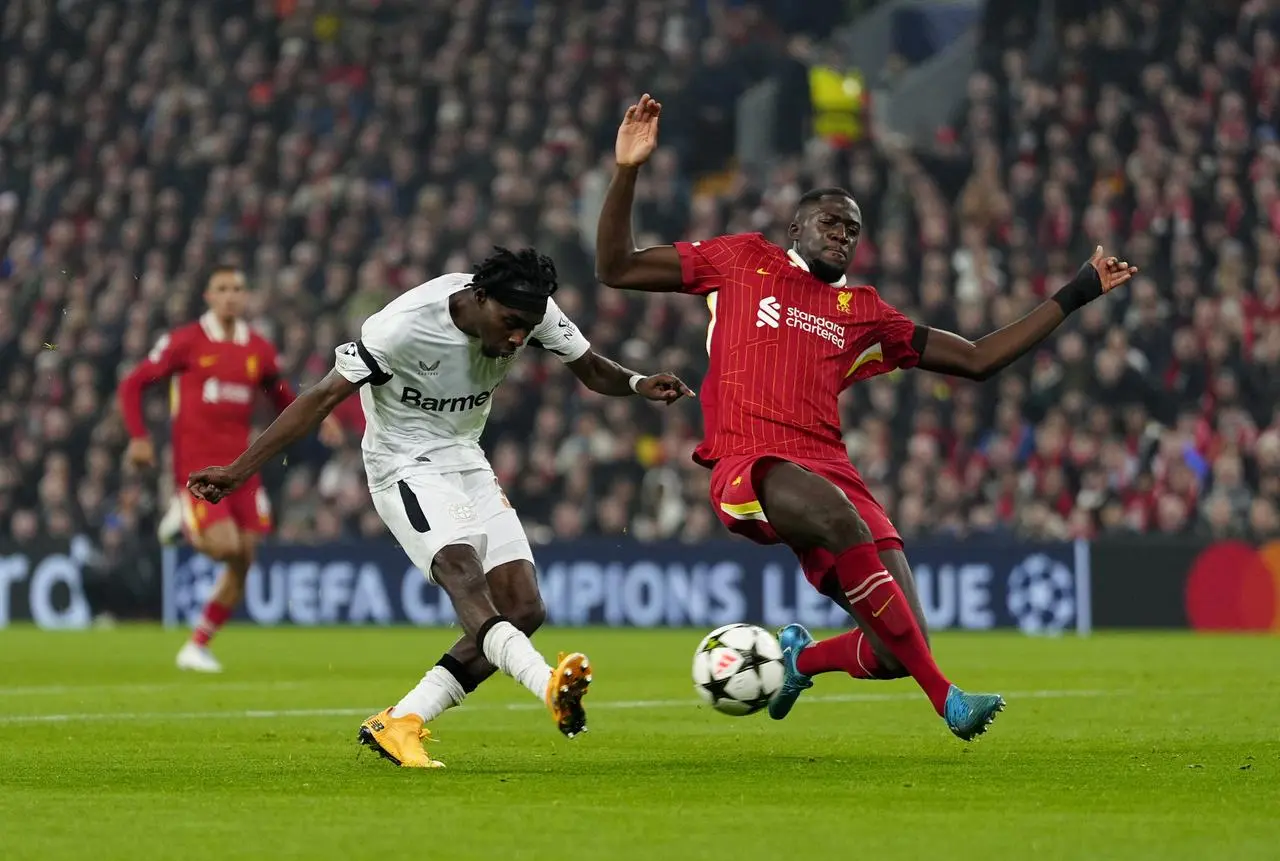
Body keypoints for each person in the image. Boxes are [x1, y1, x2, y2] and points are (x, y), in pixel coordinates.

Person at [595, 95, 1138, 740]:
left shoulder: (865, 312)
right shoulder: (741, 259)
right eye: (830, 221)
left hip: (832, 469)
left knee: (896, 647)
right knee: (842, 525)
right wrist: (627, 169)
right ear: (795, 228)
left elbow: (978, 359)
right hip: (749, 459)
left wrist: (1076, 292)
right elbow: (616, 267)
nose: (843, 233)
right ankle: (947, 699)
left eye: (853, 229)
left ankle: (798, 661)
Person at [188, 247, 695, 767]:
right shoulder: (402, 327)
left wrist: (636, 382)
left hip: (466, 456)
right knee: (461, 570)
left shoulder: (532, 310)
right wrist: (238, 471)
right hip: (403, 463)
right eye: (510, 324)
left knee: (524, 608)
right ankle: (547, 684)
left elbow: (589, 369)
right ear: (480, 298)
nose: (518, 339)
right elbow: (320, 398)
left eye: (527, 329)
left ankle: (402, 721)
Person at [118, 266, 343, 673]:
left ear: (245, 296)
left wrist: (318, 417)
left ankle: (197, 645)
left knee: (244, 557)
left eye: (237, 288)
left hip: (242, 469)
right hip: (197, 470)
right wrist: (138, 436)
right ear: (208, 296)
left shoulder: (258, 348)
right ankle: (181, 521)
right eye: (222, 288)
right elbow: (133, 383)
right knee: (225, 547)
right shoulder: (185, 342)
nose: (231, 295)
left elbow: (280, 395)